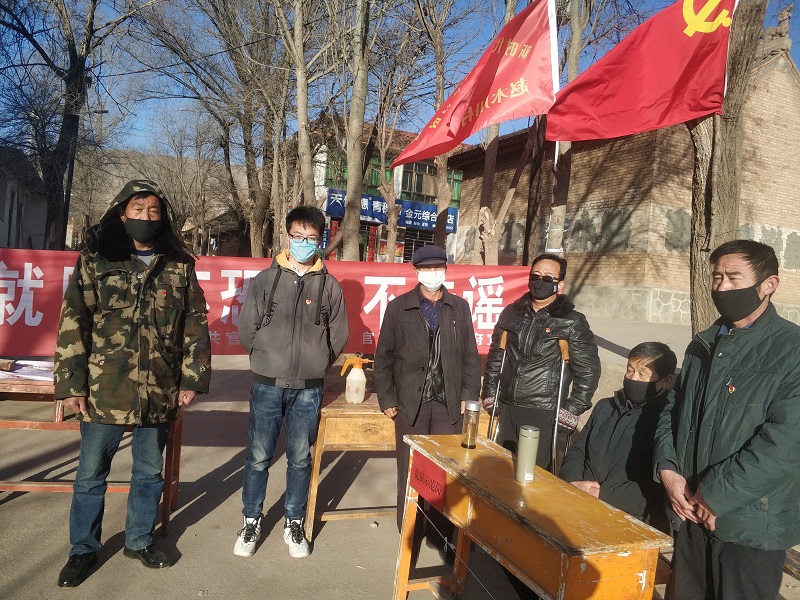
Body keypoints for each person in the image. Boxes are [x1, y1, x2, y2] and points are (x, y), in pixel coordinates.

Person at [54, 180, 211, 587]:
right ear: (122, 214)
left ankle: (139, 540)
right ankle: (83, 549)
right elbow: (74, 321)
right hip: (104, 386)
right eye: (138, 210)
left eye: (153, 211)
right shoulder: (95, 260)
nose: (146, 217)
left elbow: (195, 324)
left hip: (159, 386)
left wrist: (192, 378)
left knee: (149, 471)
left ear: (163, 217)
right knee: (91, 472)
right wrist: (71, 385)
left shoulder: (178, 264)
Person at [654, 239, 800, 600]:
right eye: (717, 277)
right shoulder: (702, 345)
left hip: (749, 522)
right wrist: (667, 468)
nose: (722, 287)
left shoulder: (791, 349)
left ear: (768, 285)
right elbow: (672, 409)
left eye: (734, 278)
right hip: (689, 511)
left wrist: (716, 495)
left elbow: (785, 444)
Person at [236, 206, 348, 559]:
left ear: (320, 241)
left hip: (308, 389)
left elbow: (338, 335)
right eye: (298, 236)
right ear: (287, 237)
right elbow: (247, 329)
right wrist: (265, 357)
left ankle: (294, 521)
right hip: (267, 384)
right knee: (258, 457)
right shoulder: (265, 281)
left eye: (311, 238)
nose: (303, 243)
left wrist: (317, 363)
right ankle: (251, 520)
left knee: (300, 458)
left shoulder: (329, 285)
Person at [374, 244, 480, 561]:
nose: (433, 274)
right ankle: (409, 531)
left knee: (445, 473)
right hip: (411, 404)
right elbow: (383, 358)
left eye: (438, 268)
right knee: (410, 471)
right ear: (417, 271)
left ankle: (439, 534)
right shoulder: (399, 308)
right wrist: (387, 398)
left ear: (445, 270)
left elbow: (471, 357)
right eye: (427, 268)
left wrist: (468, 395)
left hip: (448, 405)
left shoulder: (459, 307)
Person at [482, 253, 601, 470]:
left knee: (532, 474)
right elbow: (496, 356)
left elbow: (588, 371)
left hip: (544, 410)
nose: (540, 281)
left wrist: (572, 409)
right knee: (501, 470)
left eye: (548, 278)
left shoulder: (571, 321)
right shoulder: (512, 313)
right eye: (535, 276)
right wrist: (490, 392)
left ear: (560, 284)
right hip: (507, 405)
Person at [560, 342, 676, 533]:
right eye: (630, 370)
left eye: (643, 374)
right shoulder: (605, 407)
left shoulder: (666, 422)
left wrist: (604, 494)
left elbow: (660, 486)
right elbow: (578, 451)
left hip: (631, 522)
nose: (633, 378)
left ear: (665, 381)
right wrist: (573, 482)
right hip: (582, 505)